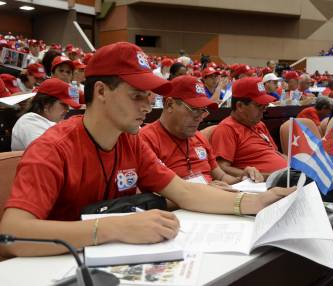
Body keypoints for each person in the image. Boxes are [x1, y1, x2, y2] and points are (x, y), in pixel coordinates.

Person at [0, 42, 295, 257]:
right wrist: (115, 228)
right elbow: (11, 234)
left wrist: (253, 203)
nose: (147, 106)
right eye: (137, 96)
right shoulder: (52, 147)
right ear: (101, 91)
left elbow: (184, 191)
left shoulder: (131, 141)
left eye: (149, 96)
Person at [140, 75, 263, 190]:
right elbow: (151, 194)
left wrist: (243, 178)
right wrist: (204, 190)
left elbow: (221, 177)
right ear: (170, 104)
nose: (200, 117)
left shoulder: (198, 137)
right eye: (194, 110)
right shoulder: (146, 140)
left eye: (203, 110)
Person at [210, 77, 287, 178]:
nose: (264, 110)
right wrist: (262, 177)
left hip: (286, 178)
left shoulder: (259, 124)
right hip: (263, 186)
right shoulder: (227, 129)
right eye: (259, 106)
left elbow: (274, 152)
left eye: (265, 106)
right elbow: (221, 167)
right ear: (240, 106)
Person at [11, 78, 81, 151]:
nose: (67, 110)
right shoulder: (29, 121)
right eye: (63, 104)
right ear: (46, 105)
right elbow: (47, 152)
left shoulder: (55, 122)